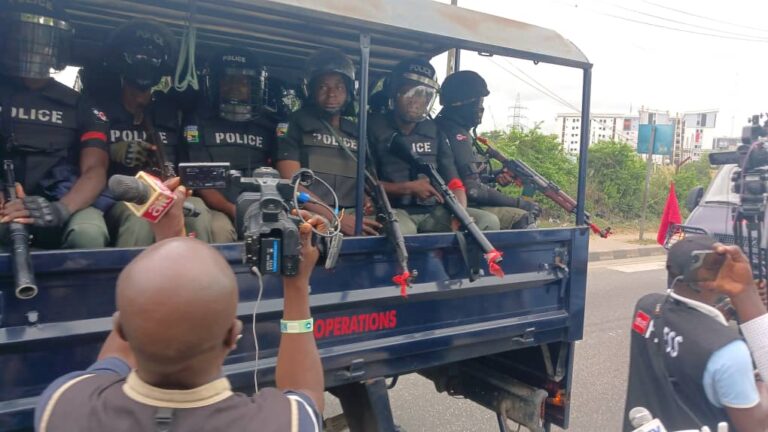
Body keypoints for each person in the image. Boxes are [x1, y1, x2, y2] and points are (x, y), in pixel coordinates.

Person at [34, 189, 325, 431]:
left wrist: (168, 240)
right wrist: (296, 287)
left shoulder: (63, 405)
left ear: (120, 329)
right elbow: (307, 394)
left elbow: (111, 360)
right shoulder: (281, 422)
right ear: (232, 335)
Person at [623, 235, 768, 432]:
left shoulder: (647, 306)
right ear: (710, 279)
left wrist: (732, 305)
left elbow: (685, 331)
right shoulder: (728, 352)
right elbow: (757, 426)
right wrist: (746, 291)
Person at [0, 0, 111, 249]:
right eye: (23, 38)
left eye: (43, 41)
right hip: (6, 202)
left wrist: (60, 210)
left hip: (62, 200)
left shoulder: (80, 105)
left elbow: (95, 171)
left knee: (89, 232)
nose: (34, 47)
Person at [96, 19, 216, 246]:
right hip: (120, 198)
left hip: (169, 191)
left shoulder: (173, 112)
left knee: (199, 212)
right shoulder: (99, 108)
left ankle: (197, 277)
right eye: (138, 55)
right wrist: (112, 152)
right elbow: (83, 162)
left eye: (154, 57)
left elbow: (186, 160)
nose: (146, 61)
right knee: (140, 218)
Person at [368, 58, 500, 234]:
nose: (417, 100)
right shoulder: (372, 127)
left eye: (424, 95)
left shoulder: (434, 131)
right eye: (411, 92)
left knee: (487, 221)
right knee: (404, 232)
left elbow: (454, 182)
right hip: (392, 209)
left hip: (433, 210)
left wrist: (459, 213)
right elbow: (365, 184)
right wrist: (409, 188)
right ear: (395, 91)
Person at [275, 48, 383, 236]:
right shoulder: (293, 124)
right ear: (310, 90)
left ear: (349, 91)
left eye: (339, 86)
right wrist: (337, 218)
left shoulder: (357, 131)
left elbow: (367, 179)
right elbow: (291, 184)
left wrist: (367, 199)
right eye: (323, 87)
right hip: (310, 213)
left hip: (351, 213)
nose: (332, 94)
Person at [181, 47, 277, 242]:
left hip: (261, 206)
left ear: (254, 86)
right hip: (216, 207)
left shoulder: (268, 125)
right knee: (219, 230)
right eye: (228, 80)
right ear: (215, 83)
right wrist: (232, 209)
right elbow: (200, 180)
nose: (235, 87)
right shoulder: (198, 121)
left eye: (243, 81)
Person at [435, 70, 539, 229]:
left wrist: (494, 176)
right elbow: (473, 190)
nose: (481, 109)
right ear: (462, 104)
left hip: (457, 202)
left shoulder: (450, 129)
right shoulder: (455, 134)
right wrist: (520, 203)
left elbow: (466, 174)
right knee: (524, 217)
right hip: (455, 204)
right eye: (478, 103)